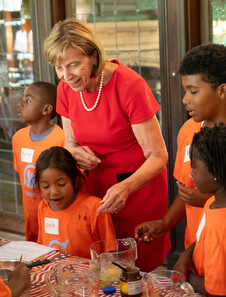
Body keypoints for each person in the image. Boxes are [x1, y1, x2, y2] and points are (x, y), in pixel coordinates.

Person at [42, 18, 170, 272]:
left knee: (135, 269)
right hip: (95, 193)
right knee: (100, 269)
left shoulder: (129, 85)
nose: (66, 76)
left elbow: (158, 155)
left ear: (93, 56)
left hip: (136, 190)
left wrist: (124, 189)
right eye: (58, 68)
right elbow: (69, 141)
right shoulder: (65, 88)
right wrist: (73, 152)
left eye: (73, 65)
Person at [135, 43, 226, 249]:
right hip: (195, 245)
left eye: (193, 92)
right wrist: (165, 223)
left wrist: (206, 200)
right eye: (185, 91)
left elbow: (200, 197)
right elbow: (185, 191)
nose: (185, 100)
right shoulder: (187, 131)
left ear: (222, 90)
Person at [35, 146, 116, 258]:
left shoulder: (95, 208)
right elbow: (42, 249)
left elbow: (110, 252)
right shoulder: (43, 207)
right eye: (45, 186)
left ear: (76, 181)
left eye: (61, 184)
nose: (54, 192)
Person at [174, 123, 226, 296]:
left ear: (215, 171)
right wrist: (186, 254)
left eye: (195, 166)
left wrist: (186, 277)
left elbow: (217, 291)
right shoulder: (212, 201)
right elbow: (202, 238)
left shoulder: (220, 224)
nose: (190, 174)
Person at [12, 81, 65, 242]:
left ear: (46, 109)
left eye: (27, 100)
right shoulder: (18, 138)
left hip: (56, 217)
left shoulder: (62, 139)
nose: (20, 104)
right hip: (31, 217)